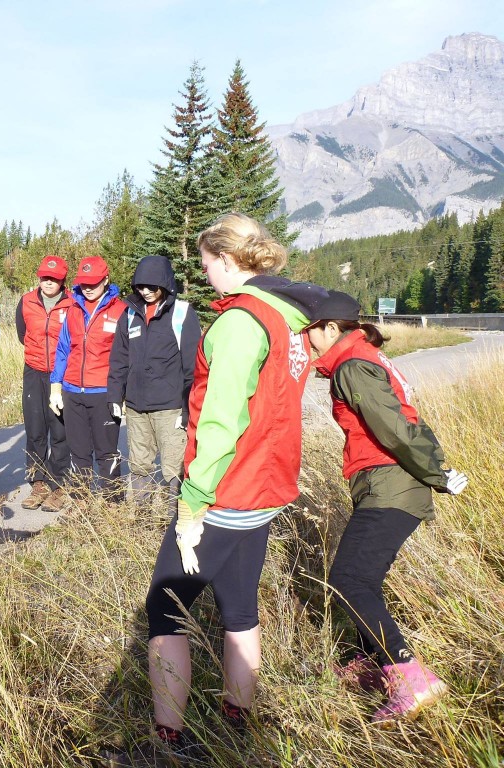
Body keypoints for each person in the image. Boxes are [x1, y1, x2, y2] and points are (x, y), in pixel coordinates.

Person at [144, 213, 327, 759]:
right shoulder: (286, 321)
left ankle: (167, 739)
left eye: (205, 265)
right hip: (266, 492)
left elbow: (222, 420)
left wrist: (193, 502)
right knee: (239, 608)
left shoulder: (240, 321)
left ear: (226, 259)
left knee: (165, 611)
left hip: (226, 493)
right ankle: (236, 718)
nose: (205, 276)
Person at [305, 290, 467, 724]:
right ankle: (373, 665)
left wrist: (436, 472)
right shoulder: (363, 357)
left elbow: (395, 428)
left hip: (390, 484)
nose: (307, 339)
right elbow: (408, 417)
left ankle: (410, 675)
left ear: (331, 328)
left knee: (349, 579)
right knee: (363, 579)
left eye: (310, 330)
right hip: (387, 482)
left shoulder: (353, 366)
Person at [107, 255, 200, 510]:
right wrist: (115, 396)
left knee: (173, 468)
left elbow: (193, 368)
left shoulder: (182, 314)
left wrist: (187, 408)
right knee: (139, 466)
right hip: (137, 408)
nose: (145, 292)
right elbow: (119, 359)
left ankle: (175, 520)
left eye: (152, 287)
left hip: (170, 408)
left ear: (166, 284)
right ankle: (142, 517)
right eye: (140, 286)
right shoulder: (129, 315)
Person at [49, 255, 126, 501]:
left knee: (106, 453)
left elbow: (125, 357)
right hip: (73, 392)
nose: (89, 288)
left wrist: (120, 392)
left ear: (106, 279)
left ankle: (112, 503)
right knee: (79, 453)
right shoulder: (73, 309)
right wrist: (56, 385)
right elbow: (62, 349)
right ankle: (80, 503)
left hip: (102, 392)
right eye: (84, 283)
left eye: (94, 282)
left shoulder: (121, 311)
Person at [16, 255, 74, 512]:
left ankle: (59, 483)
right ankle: (38, 482)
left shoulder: (73, 303)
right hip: (34, 372)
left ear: (63, 279)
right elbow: (22, 333)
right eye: (44, 277)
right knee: (35, 428)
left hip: (61, 375)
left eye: (54, 278)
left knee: (60, 430)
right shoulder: (26, 301)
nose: (48, 281)